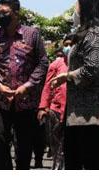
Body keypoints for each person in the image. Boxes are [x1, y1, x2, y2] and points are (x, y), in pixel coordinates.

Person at [0, 0, 49, 170]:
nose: (0, 15)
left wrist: (28, 86)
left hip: (25, 102)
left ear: (16, 14)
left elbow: (43, 63)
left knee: (24, 146)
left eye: (5, 13)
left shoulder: (32, 34)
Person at [51, 0, 99, 170]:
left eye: (77, 5)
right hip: (79, 113)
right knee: (75, 162)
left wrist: (67, 76)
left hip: (89, 114)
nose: (75, 10)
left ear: (88, 7)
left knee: (88, 162)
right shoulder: (87, 33)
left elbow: (92, 69)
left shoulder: (94, 35)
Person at [38, 36, 72, 169]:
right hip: (56, 110)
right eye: (66, 44)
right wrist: (43, 107)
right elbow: (47, 86)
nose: (68, 47)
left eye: (71, 44)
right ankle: (57, 167)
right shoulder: (55, 65)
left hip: (73, 111)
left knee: (69, 144)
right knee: (56, 144)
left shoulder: (80, 63)